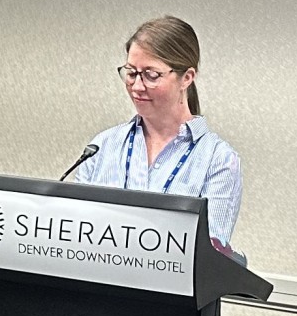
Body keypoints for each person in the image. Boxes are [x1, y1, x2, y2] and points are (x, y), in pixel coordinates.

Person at [75, 16, 243, 248]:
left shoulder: (219, 160)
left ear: (187, 78)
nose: (137, 86)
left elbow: (210, 253)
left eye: (151, 75)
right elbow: (75, 233)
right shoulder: (101, 147)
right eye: (131, 73)